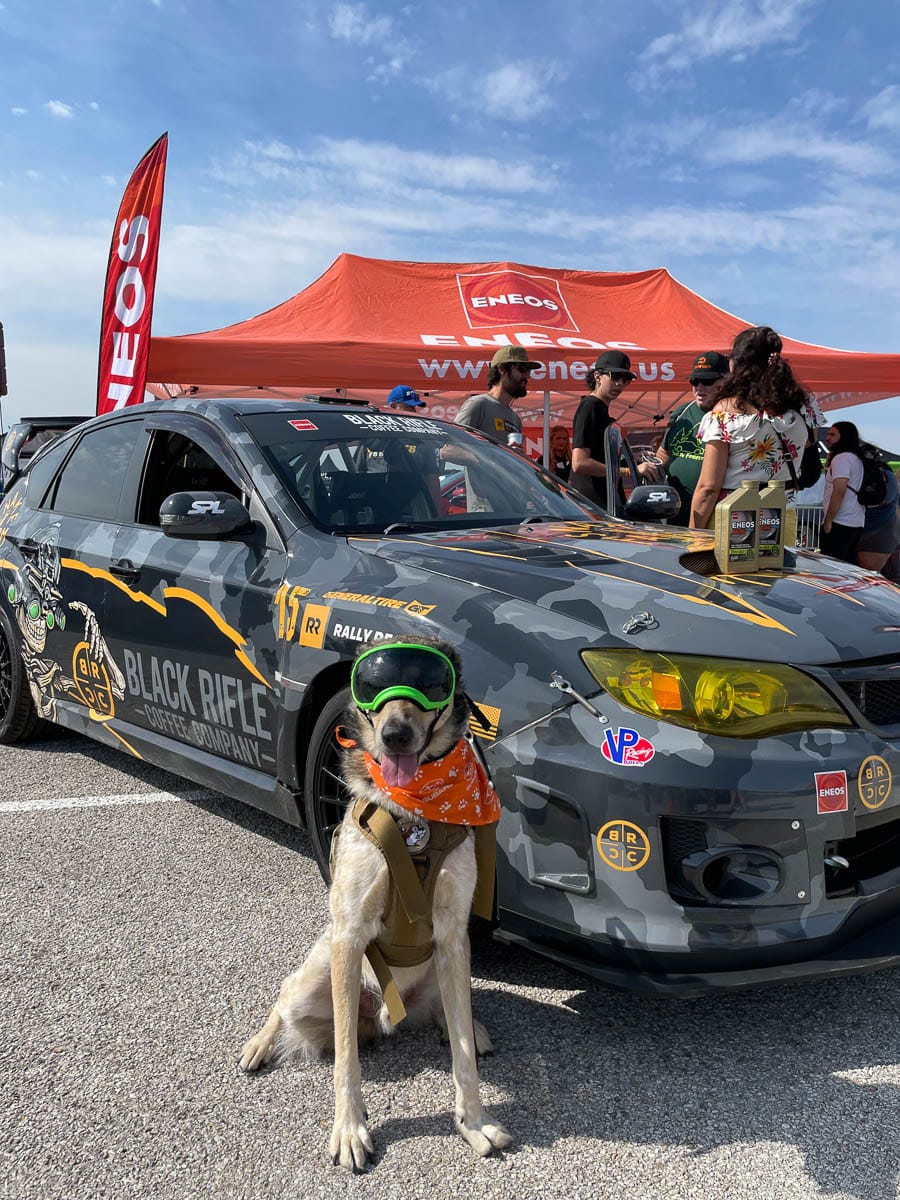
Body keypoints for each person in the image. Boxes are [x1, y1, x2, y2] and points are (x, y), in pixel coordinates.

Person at [689, 326, 820, 529]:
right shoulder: (803, 406)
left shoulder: (727, 409)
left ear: (737, 363)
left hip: (735, 521)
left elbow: (708, 488)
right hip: (781, 517)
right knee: (778, 562)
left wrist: (692, 533)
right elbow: (810, 454)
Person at [569, 350, 660, 508]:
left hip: (603, 504)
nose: (620, 384)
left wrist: (633, 458)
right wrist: (630, 471)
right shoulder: (590, 407)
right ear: (598, 376)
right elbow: (579, 463)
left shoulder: (599, 408)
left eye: (625, 379)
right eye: (615, 377)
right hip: (593, 506)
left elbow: (600, 455)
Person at [656, 351, 729, 526]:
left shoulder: (732, 418)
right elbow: (664, 453)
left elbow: (710, 487)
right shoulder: (681, 412)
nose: (699, 387)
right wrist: (651, 467)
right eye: (694, 381)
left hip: (711, 517)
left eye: (707, 381)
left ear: (725, 381)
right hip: (674, 514)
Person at [454, 346, 540, 448]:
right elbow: (450, 450)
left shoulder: (516, 420)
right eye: (522, 370)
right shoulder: (479, 404)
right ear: (502, 369)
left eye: (528, 371)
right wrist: (489, 459)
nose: (527, 376)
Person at [821, 421, 866, 563]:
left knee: (831, 568)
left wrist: (828, 520)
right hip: (856, 521)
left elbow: (839, 490)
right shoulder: (857, 458)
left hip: (840, 522)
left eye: (833, 434)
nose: (827, 438)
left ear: (844, 437)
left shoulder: (842, 458)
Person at [855, 448, 900, 573]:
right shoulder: (887, 475)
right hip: (884, 533)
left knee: (867, 577)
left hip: (876, 533)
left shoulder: (884, 476)